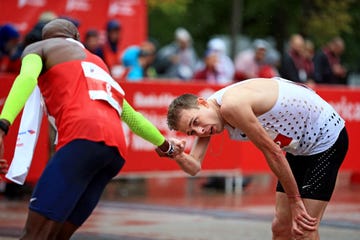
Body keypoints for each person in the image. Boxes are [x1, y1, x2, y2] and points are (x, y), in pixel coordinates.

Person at [0, 18, 179, 239]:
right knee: (57, 236)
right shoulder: (98, 63)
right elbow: (131, 115)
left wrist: (3, 124)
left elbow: (26, 79)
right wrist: (166, 145)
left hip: (81, 139)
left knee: (34, 234)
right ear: (77, 39)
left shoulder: (39, 48)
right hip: (114, 152)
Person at [161, 77, 348, 240]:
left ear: (202, 102)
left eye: (196, 122)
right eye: (191, 132)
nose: (200, 131)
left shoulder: (232, 106)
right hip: (301, 147)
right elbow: (194, 167)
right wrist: (175, 153)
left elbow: (273, 153)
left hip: (326, 138)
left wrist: (295, 201)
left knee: (303, 229)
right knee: (280, 227)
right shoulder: (209, 115)